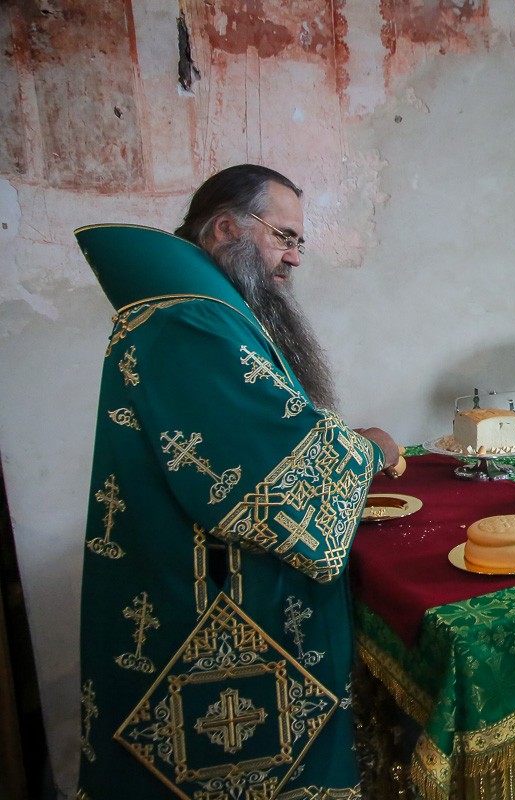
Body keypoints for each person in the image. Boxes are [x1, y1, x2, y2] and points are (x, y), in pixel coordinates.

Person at [75, 165, 402, 799]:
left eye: (299, 242)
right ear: (226, 228)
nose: (294, 257)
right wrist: (369, 450)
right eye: (285, 236)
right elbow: (260, 471)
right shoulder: (190, 320)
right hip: (210, 606)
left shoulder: (197, 308)